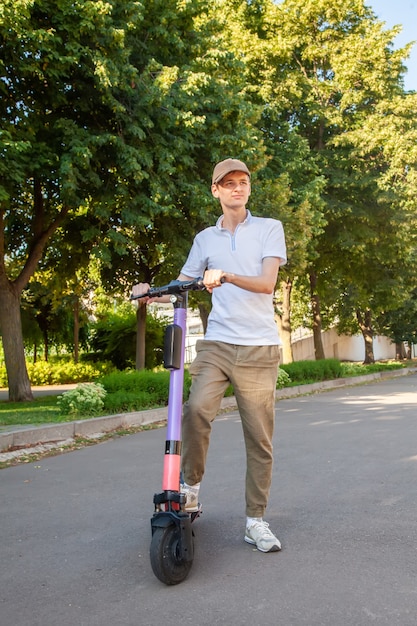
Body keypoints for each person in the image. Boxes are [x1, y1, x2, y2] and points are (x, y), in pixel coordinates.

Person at [132, 158, 287, 553]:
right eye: (229, 183)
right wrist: (151, 292)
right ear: (215, 190)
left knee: (259, 438)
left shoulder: (270, 229)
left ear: (249, 188)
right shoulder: (205, 239)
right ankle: (191, 489)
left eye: (244, 182)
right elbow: (182, 285)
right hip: (218, 343)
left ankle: (256, 520)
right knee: (197, 409)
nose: (238, 188)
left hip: (258, 348)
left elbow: (268, 283)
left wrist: (227, 275)